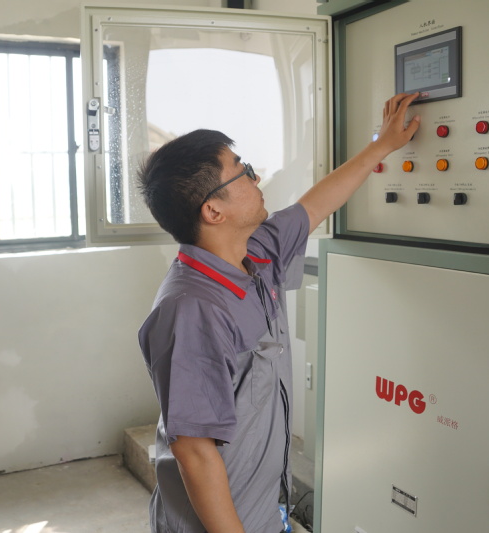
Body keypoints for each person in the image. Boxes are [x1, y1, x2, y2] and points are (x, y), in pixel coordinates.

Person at [137, 92, 421, 533]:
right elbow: (194, 452)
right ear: (213, 210)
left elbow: (314, 206)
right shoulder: (192, 309)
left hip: (264, 506)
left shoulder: (256, 254)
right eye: (242, 171)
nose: (256, 177)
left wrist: (381, 146)